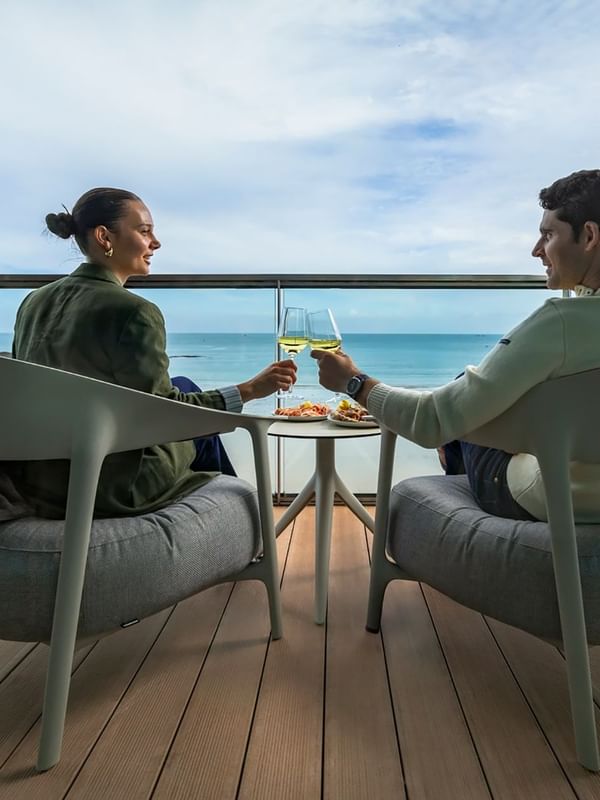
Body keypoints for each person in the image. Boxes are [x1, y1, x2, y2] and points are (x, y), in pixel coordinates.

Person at [312, 169, 600, 522]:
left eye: (548, 234)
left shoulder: (560, 323)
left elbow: (432, 421)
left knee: (460, 414)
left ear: (589, 236)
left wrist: (353, 382)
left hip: (558, 497)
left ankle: (461, 530)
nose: (536, 250)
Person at [9, 187, 297, 519]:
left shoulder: (33, 302)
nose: (155, 243)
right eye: (145, 231)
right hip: (109, 486)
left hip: (38, 481)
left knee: (183, 383)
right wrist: (250, 390)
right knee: (197, 425)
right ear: (104, 237)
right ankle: (240, 518)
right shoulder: (134, 312)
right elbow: (166, 413)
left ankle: (238, 516)